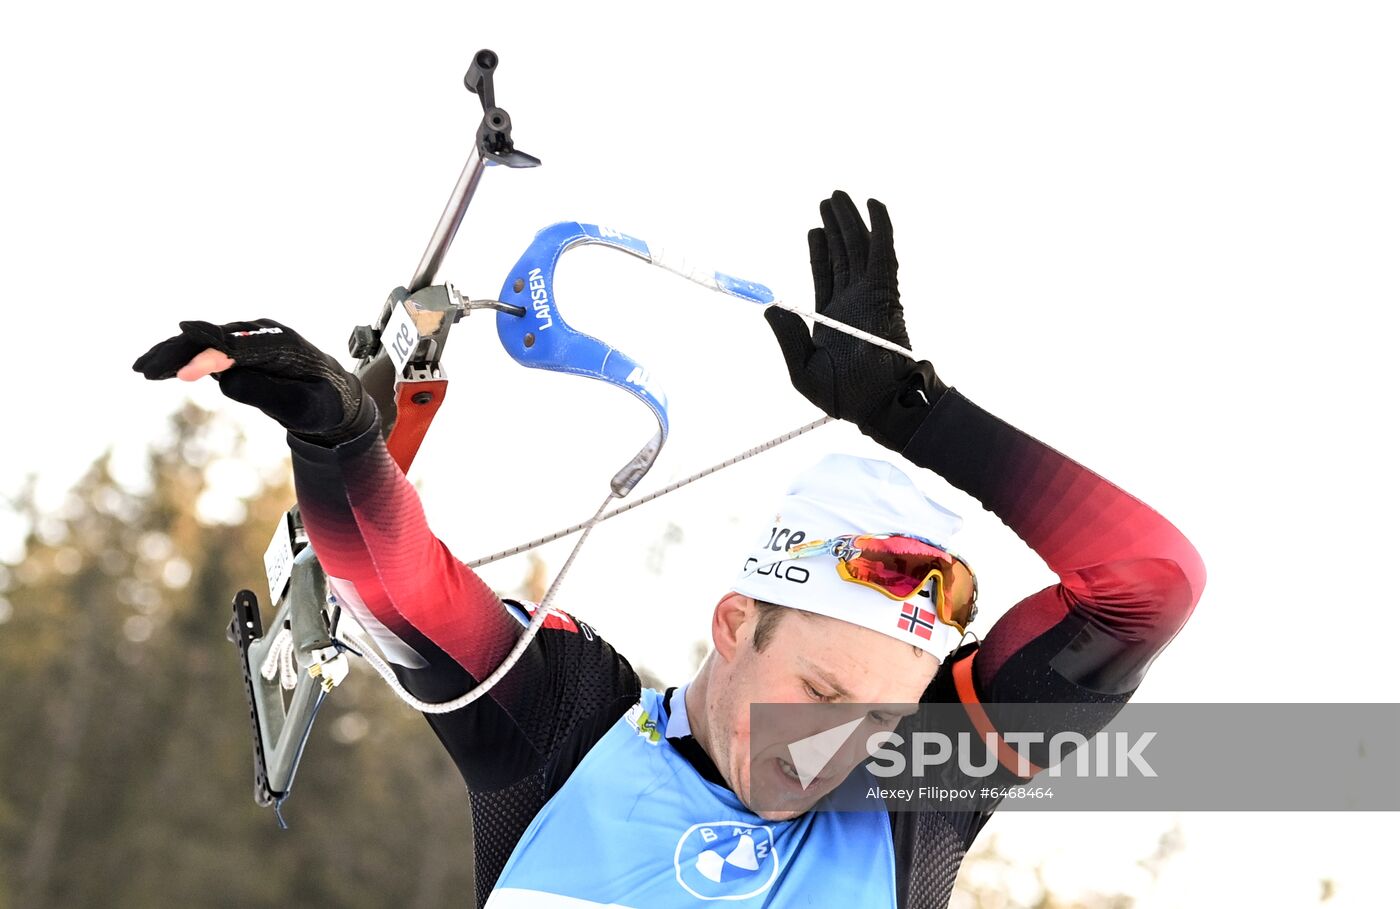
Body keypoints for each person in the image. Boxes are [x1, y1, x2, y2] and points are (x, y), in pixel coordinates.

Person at [133, 191, 1205, 907]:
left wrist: (913, 412)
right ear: (735, 623)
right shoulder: (567, 729)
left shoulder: (913, 789)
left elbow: (1146, 586)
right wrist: (338, 442)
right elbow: (401, 590)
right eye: (820, 691)